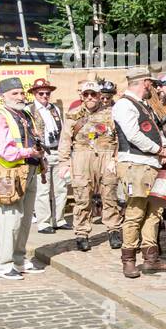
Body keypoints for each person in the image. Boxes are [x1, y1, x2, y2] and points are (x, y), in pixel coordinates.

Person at [113, 68, 166, 278]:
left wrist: (165, 149)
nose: (153, 87)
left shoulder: (144, 105)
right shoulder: (124, 104)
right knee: (135, 212)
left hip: (151, 164)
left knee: (154, 213)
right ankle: (128, 260)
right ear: (145, 82)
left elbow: (157, 132)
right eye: (151, 83)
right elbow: (133, 135)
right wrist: (160, 150)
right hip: (135, 164)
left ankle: (151, 258)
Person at [0, 77, 46, 280]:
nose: (20, 97)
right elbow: (2, 150)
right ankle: (4, 265)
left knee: (25, 219)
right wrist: (30, 151)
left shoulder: (25, 114)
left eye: (22, 93)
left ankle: (19, 260)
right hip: (6, 174)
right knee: (9, 220)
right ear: (2, 96)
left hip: (28, 171)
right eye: (15, 93)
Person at [58, 80, 123, 252]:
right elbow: (65, 140)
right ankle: (81, 233)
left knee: (109, 194)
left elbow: (119, 139)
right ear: (81, 96)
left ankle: (114, 230)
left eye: (93, 94)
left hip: (106, 155)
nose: (89, 97)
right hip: (81, 156)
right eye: (86, 94)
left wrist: (116, 159)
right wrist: (64, 162)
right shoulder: (73, 115)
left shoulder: (112, 114)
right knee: (82, 195)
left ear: (99, 95)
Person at [30, 78, 70, 234]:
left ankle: (58, 219)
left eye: (47, 93)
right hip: (42, 152)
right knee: (43, 190)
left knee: (61, 188)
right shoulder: (30, 109)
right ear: (34, 93)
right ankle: (43, 222)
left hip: (57, 150)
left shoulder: (55, 109)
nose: (45, 96)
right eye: (41, 93)